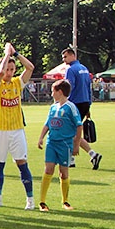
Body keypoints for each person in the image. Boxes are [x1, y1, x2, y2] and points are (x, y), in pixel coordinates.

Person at [0, 43, 36, 210]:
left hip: (16, 130)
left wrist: (15, 53)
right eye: (7, 69)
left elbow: (30, 67)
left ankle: (30, 200)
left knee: (22, 163)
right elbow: (0, 73)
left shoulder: (17, 83)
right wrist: (6, 55)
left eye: (12, 69)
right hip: (0, 129)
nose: (9, 73)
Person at [37, 80, 82, 212]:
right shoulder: (53, 107)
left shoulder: (71, 107)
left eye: (53, 91)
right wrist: (41, 138)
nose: (51, 94)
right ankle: (42, 202)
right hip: (51, 142)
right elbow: (47, 124)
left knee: (63, 172)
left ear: (60, 92)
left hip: (65, 144)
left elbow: (79, 125)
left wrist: (76, 144)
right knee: (48, 169)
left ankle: (65, 201)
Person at [62, 48, 102, 169]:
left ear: (72, 55)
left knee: (70, 132)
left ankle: (92, 154)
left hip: (74, 103)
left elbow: (69, 87)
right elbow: (88, 87)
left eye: (65, 57)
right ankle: (72, 159)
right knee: (72, 131)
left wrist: (64, 102)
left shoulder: (70, 70)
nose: (63, 59)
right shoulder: (84, 68)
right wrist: (89, 104)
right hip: (85, 102)